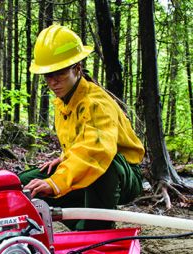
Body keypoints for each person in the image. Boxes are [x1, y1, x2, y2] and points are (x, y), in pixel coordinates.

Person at [19, 24, 145, 231]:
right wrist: (64, 158)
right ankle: (79, 225)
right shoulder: (63, 101)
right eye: (47, 75)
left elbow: (96, 151)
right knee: (26, 183)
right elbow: (80, 143)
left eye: (59, 73)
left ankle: (96, 230)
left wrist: (55, 183)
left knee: (104, 166)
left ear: (77, 68)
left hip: (123, 174)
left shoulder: (96, 104)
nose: (53, 82)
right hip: (91, 163)